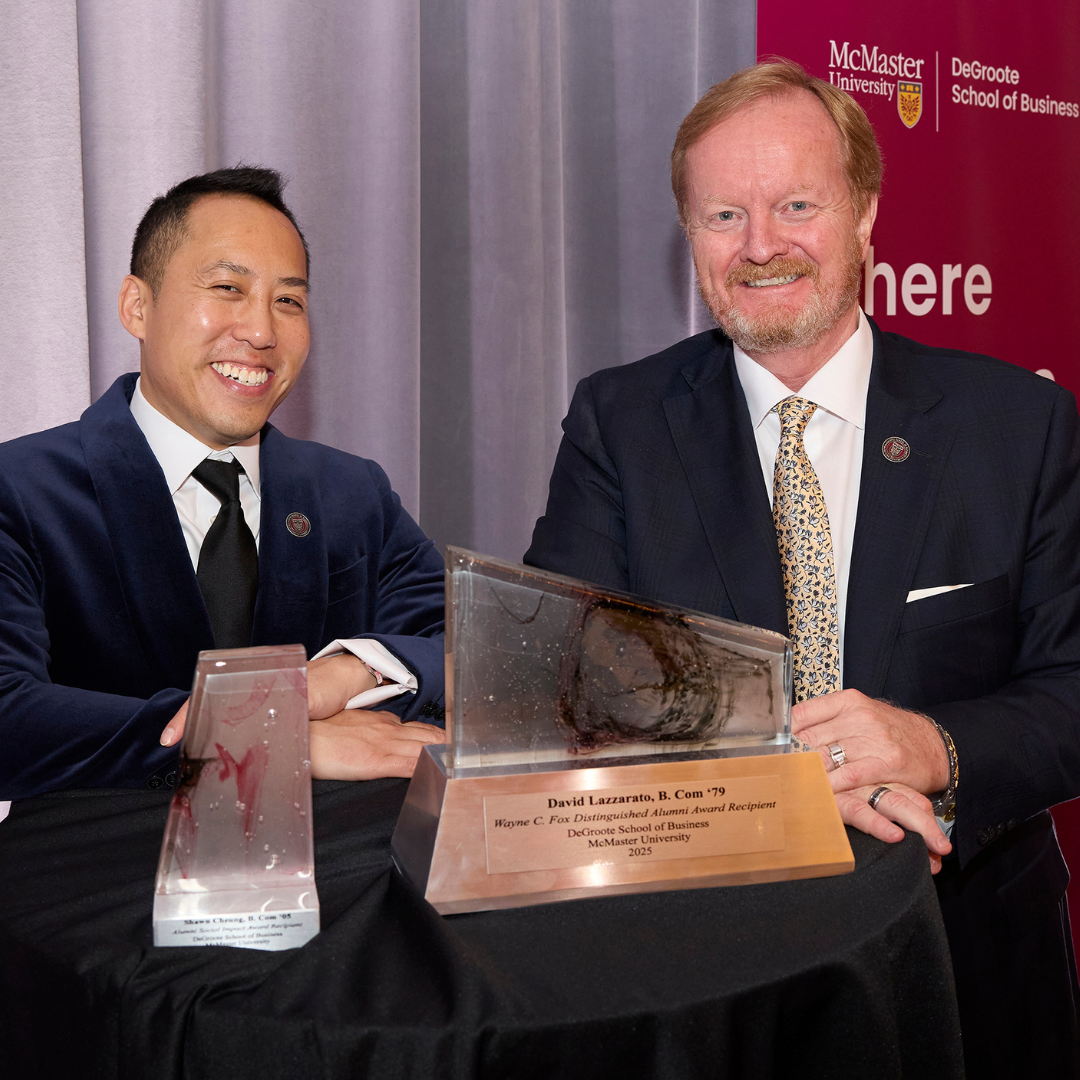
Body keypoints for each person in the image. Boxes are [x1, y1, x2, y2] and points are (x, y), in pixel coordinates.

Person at [525, 62, 1080, 1076]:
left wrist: (934, 747)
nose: (761, 246)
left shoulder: (1017, 426)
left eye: (795, 205)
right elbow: (567, 688)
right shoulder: (621, 423)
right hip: (705, 975)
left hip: (969, 966)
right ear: (689, 239)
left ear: (865, 213)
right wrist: (780, 783)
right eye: (724, 214)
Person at [0, 167, 446, 801]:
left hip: (352, 863)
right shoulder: (20, 490)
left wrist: (350, 672)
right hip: (108, 878)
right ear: (138, 306)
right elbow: (10, 715)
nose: (262, 332)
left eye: (288, 300)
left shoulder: (351, 491)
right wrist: (264, 740)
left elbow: (470, 649)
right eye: (228, 287)